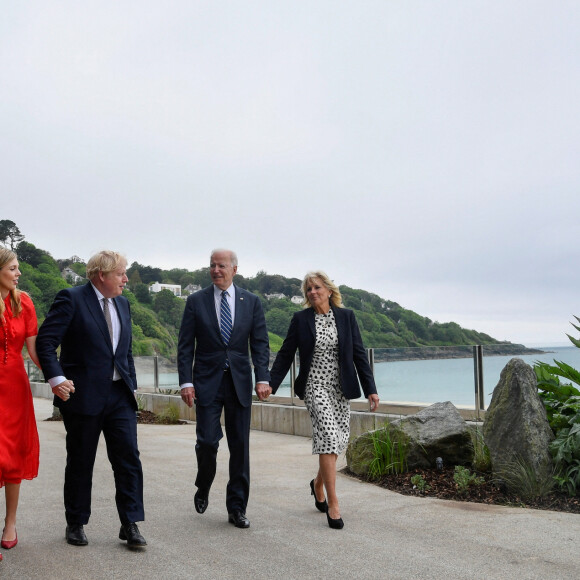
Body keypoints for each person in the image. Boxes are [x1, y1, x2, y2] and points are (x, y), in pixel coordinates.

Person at [36, 251, 146, 549]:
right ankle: (76, 522)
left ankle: (130, 523)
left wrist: (132, 385)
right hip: (82, 395)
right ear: (102, 275)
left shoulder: (123, 303)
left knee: (128, 459)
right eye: (121, 274)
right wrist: (56, 378)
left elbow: (125, 352)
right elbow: (46, 341)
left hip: (119, 394)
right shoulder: (71, 299)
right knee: (81, 460)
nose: (126, 279)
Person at [269, 271, 379, 529]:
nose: (312, 292)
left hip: (341, 388)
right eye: (308, 289)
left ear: (329, 291)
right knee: (329, 438)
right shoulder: (300, 320)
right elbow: (285, 354)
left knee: (338, 441)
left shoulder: (346, 317)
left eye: (317, 287)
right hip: (314, 385)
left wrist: (370, 388)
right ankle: (334, 503)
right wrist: (270, 384)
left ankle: (317, 483)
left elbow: (359, 355)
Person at [177, 249, 271, 529]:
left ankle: (236, 507)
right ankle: (203, 483)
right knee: (207, 441)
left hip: (240, 383)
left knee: (240, 447)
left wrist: (262, 377)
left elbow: (260, 344)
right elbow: (185, 345)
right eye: (212, 266)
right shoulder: (196, 301)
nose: (215, 270)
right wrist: (186, 382)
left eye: (221, 266)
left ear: (234, 269)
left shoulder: (251, 302)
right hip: (206, 381)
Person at [0, 249, 40, 556]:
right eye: (13, 268)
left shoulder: (24, 302)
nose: (19, 274)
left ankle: (10, 522)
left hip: (15, 388)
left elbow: (35, 352)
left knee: (12, 456)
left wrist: (59, 376)